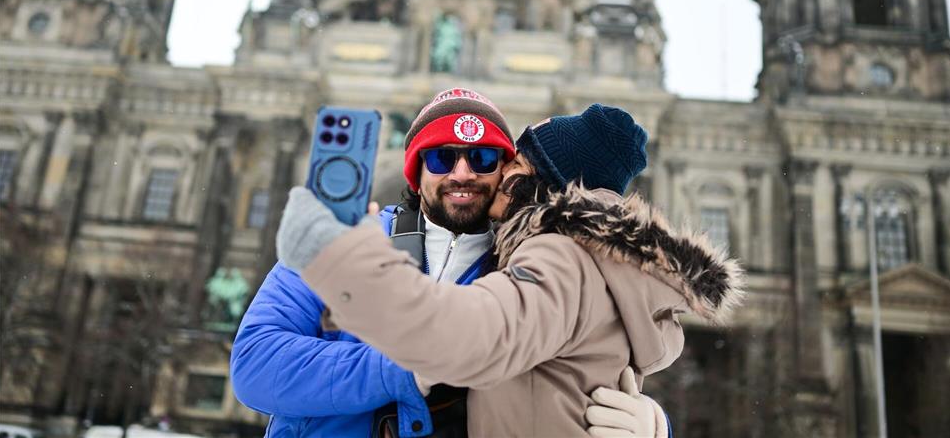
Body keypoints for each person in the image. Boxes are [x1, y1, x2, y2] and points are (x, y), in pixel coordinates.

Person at [278, 104, 744, 437]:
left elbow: (471, 337)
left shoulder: (561, 253)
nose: (493, 177)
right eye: (442, 158)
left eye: (509, 163)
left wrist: (339, 258)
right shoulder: (607, 260)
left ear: (547, 182)